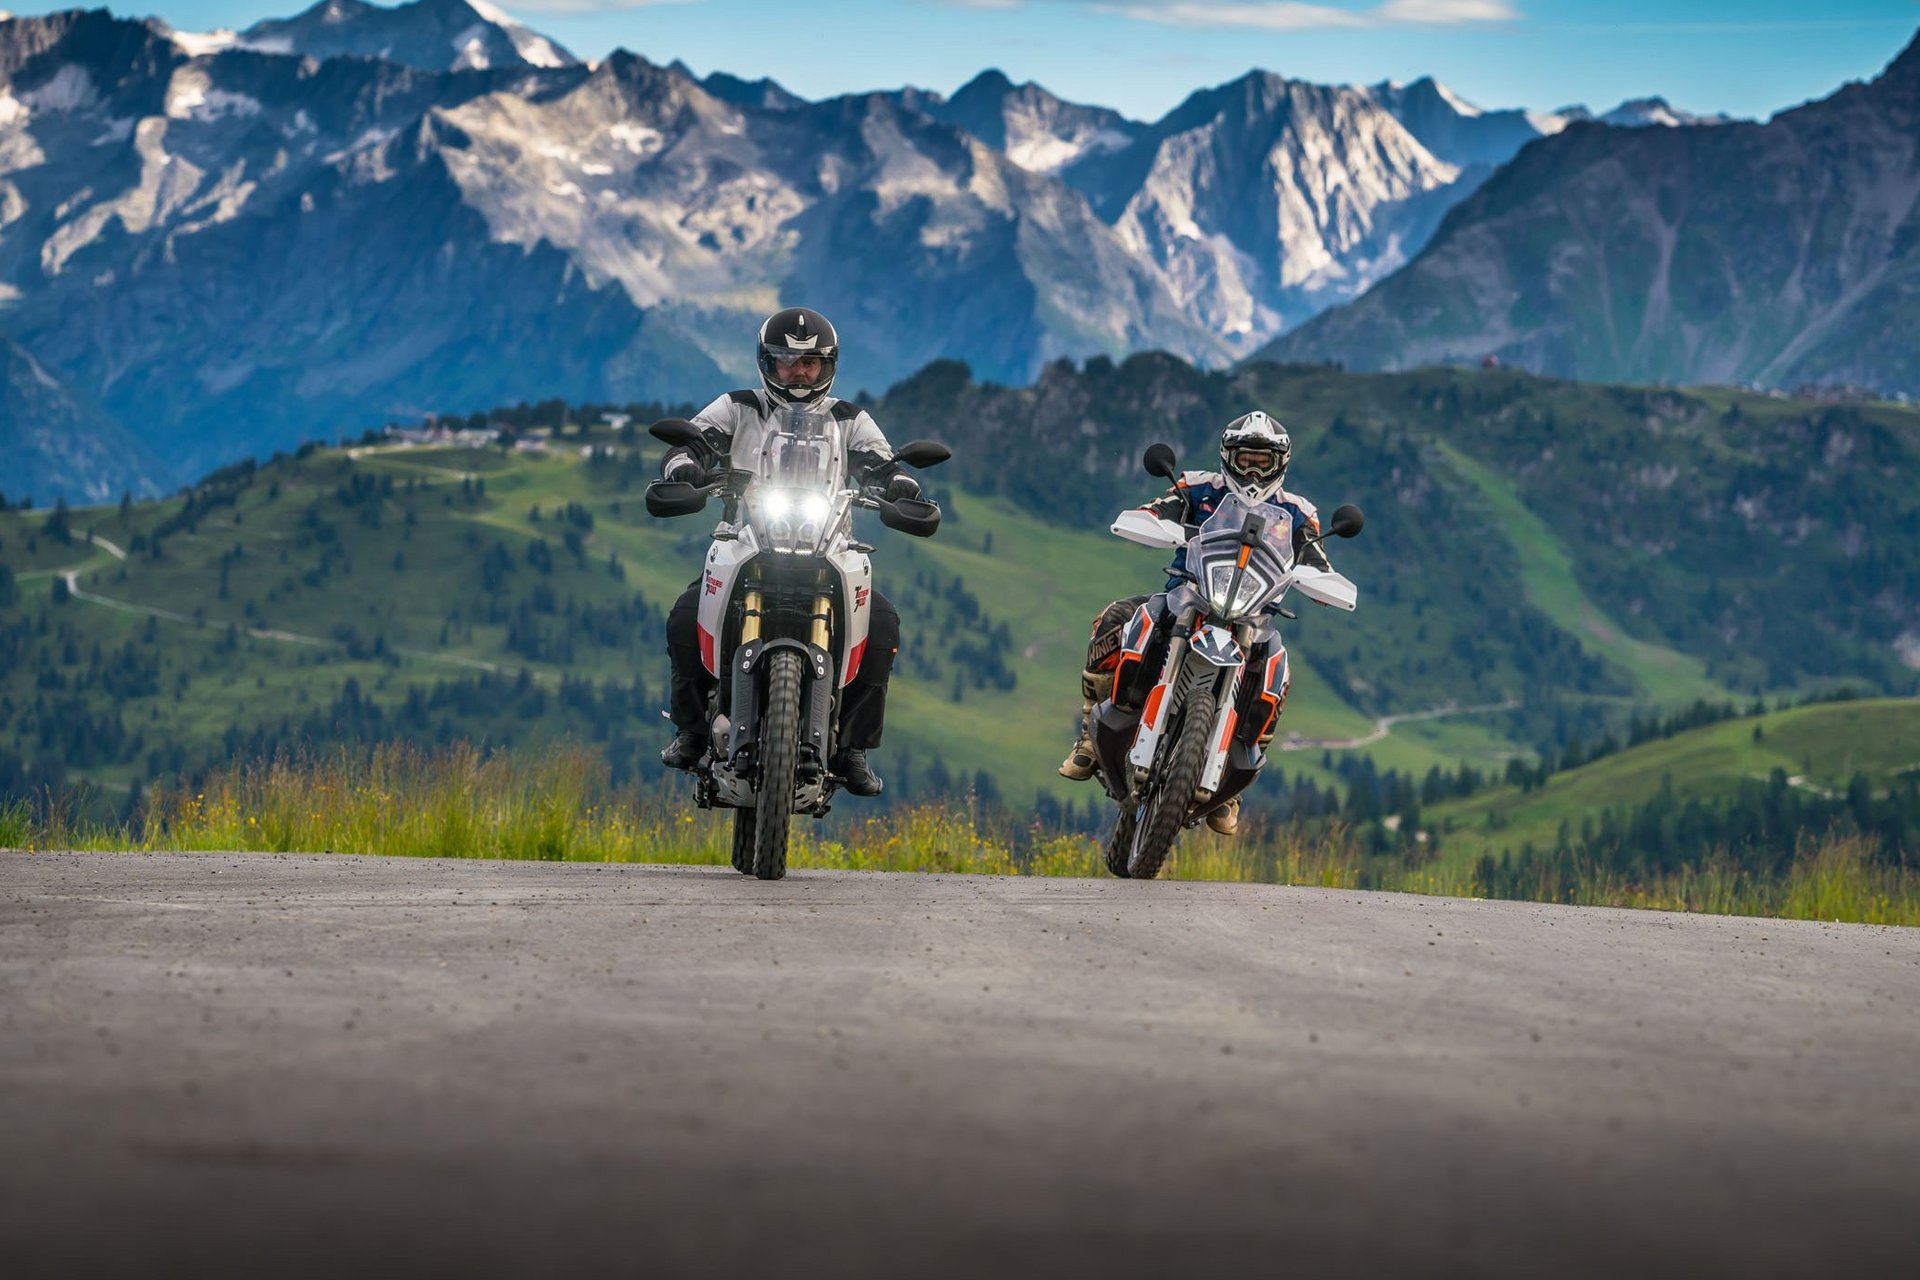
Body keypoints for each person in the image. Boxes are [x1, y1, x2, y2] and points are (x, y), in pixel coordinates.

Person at [657, 306, 920, 796]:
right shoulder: (737, 406)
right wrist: (683, 466)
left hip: (828, 544)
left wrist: (901, 483)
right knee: (684, 616)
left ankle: (852, 747)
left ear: (827, 365)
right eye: (787, 361)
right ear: (767, 363)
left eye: (811, 363)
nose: (800, 372)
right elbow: (692, 442)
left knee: (881, 624)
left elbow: (882, 464)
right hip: (748, 539)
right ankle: (692, 731)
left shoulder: (848, 419)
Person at [1057, 411, 1332, 835]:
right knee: (1119, 617)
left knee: (1276, 670)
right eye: (1245, 459)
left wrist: (1323, 580)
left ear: (1280, 463)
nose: (1253, 469)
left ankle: (1231, 784)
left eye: (1263, 460)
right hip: (1189, 594)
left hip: (1253, 611)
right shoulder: (1195, 485)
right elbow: (1154, 509)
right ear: (1228, 456)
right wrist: (1152, 522)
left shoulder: (1298, 512)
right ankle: (1091, 736)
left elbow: (1317, 560)